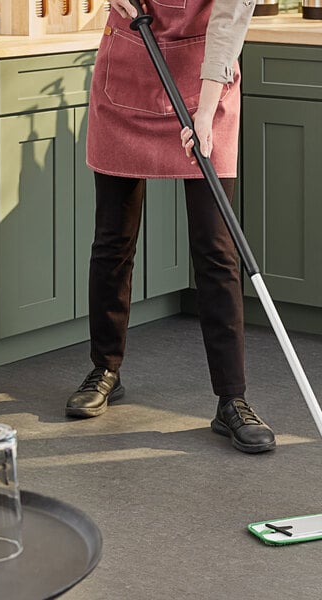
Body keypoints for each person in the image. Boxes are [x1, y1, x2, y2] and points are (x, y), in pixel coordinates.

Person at [65, 0, 276, 454]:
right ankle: (104, 369)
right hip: (127, 68)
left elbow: (229, 18)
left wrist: (204, 108)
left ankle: (231, 400)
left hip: (207, 80)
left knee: (217, 250)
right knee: (113, 241)